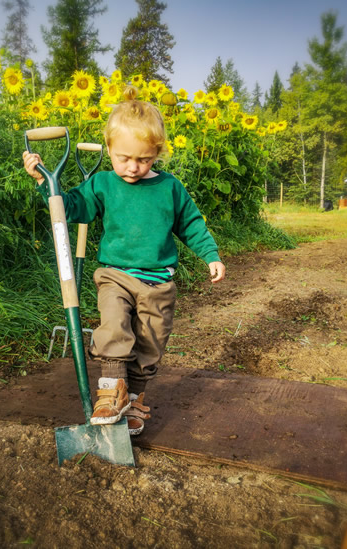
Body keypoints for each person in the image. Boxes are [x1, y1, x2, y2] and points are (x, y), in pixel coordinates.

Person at [23, 86, 225, 436]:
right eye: (123, 158)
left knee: (149, 346)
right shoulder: (103, 184)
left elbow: (191, 223)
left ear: (157, 153)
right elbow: (70, 207)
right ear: (110, 150)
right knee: (114, 326)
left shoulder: (169, 188)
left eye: (143, 159)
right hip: (115, 275)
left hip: (158, 283)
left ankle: (134, 397)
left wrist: (210, 255)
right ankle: (110, 391)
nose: (132, 167)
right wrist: (44, 181)